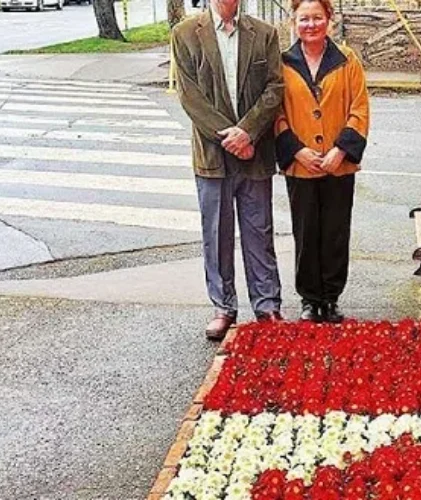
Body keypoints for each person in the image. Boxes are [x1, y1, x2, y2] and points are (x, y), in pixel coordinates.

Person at [171, 0, 285, 340]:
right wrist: (230, 137)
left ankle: (267, 306)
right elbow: (190, 96)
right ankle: (224, 308)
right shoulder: (185, 34)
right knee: (216, 234)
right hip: (212, 154)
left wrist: (248, 132)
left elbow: (275, 88)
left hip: (255, 152)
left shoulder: (264, 34)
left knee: (259, 232)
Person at [275, 0, 370, 323]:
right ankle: (309, 299)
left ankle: (330, 298)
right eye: (304, 19)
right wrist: (297, 151)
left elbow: (359, 109)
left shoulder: (347, 60)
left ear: (329, 19)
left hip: (338, 165)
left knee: (335, 232)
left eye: (317, 17)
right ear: (294, 22)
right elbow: (276, 113)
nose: (311, 24)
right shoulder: (283, 63)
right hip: (300, 165)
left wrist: (340, 151)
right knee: (305, 233)